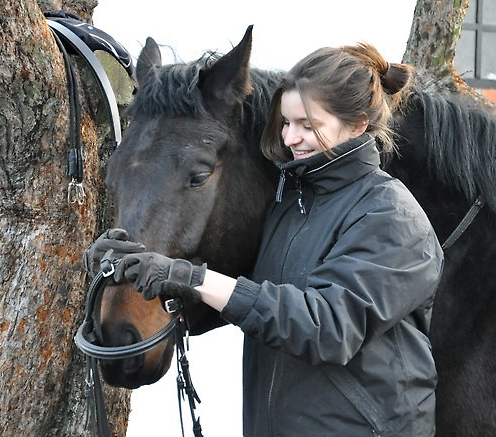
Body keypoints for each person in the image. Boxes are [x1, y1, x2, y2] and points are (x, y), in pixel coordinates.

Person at [85, 43, 443, 436]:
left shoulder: (392, 216)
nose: (291, 138)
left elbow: (328, 329)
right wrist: (137, 268)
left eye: (309, 126)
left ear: (358, 124)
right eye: (286, 123)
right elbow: (257, 307)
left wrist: (193, 278)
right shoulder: (290, 206)